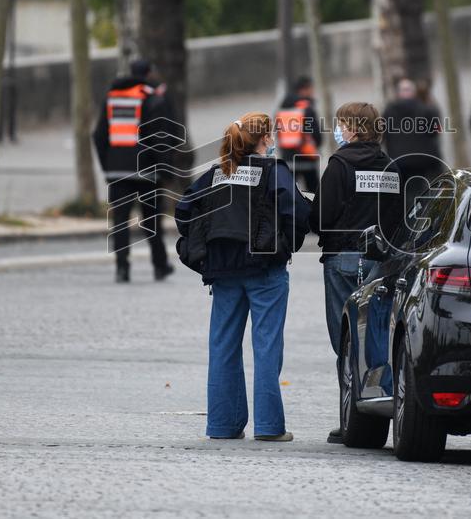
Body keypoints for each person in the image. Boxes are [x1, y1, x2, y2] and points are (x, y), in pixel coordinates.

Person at [175, 113, 311, 442]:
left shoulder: (216, 174)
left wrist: (206, 246)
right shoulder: (273, 171)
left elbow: (184, 210)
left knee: (222, 346)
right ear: (264, 139)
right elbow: (296, 213)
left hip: (223, 271)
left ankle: (222, 424)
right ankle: (268, 427)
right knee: (266, 347)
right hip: (265, 270)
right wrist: (285, 246)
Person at [311, 102, 403, 444]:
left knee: (345, 340)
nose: (337, 131)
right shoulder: (391, 166)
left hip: (342, 259)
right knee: (376, 336)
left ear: (351, 128)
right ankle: (381, 403)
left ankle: (352, 421)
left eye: (339, 124)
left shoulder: (339, 165)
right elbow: (398, 217)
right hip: (379, 260)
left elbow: (322, 214)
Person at [92, 58, 181, 283]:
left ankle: (122, 269)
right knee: (151, 222)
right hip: (147, 173)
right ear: (149, 73)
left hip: (117, 172)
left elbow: (99, 135)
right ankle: (160, 266)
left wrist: (108, 165)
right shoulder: (152, 99)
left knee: (120, 222)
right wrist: (167, 171)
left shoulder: (111, 98)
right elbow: (160, 139)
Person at [382, 77, 443, 209]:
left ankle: (407, 218)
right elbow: (435, 131)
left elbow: (382, 134)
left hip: (399, 160)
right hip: (423, 160)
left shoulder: (388, 111)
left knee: (404, 194)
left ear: (398, 93)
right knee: (423, 191)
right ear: (413, 92)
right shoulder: (426, 109)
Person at [275, 77, 322, 194]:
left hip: (288, 161)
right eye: (311, 88)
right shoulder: (307, 109)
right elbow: (317, 136)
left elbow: (278, 133)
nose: (312, 92)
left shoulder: (281, 109)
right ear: (304, 90)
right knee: (314, 197)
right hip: (307, 159)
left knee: (289, 195)